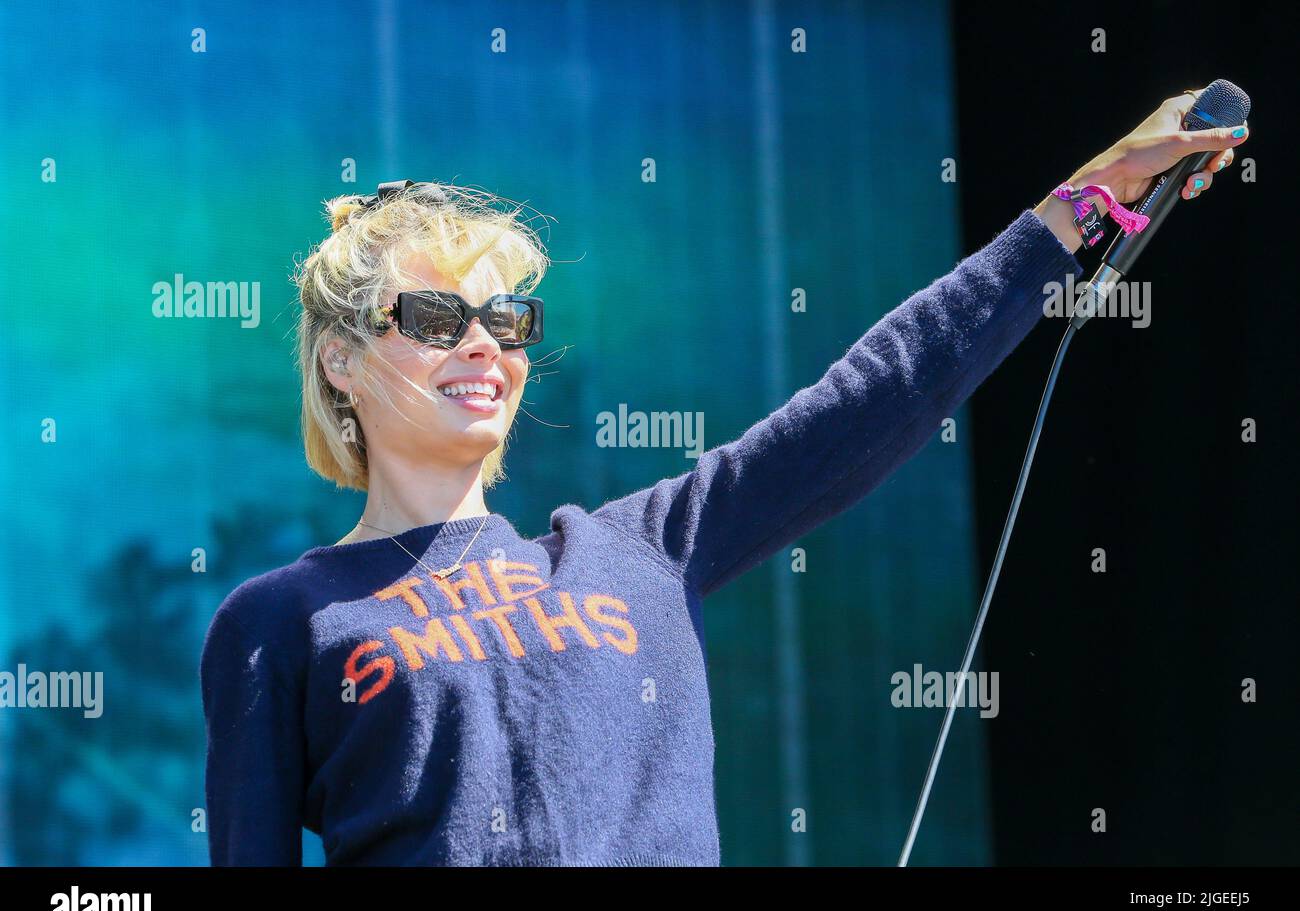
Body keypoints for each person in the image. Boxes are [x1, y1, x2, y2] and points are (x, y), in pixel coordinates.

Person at [200, 90, 1246, 865]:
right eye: (434, 318)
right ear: (339, 358)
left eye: (507, 319)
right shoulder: (285, 619)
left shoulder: (634, 548)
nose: (482, 345)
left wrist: (1084, 201)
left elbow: (877, 392)